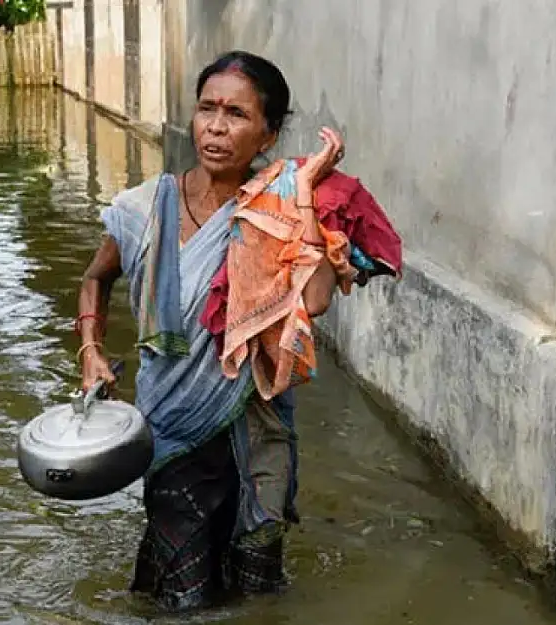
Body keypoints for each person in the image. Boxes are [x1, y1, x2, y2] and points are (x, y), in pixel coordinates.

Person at [74, 50, 346, 611]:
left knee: (257, 588)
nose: (216, 128)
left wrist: (305, 194)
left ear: (267, 136)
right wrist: (90, 351)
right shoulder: (143, 209)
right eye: (207, 109)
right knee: (182, 598)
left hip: (256, 435)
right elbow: (94, 279)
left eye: (237, 115)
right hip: (172, 434)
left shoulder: (278, 213)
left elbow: (316, 300)